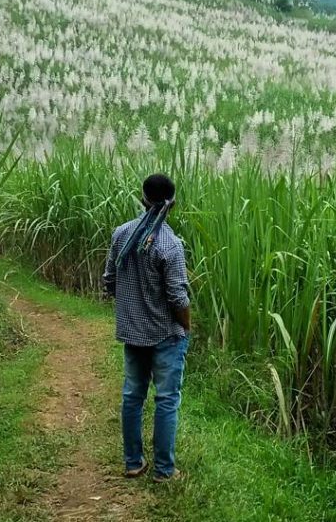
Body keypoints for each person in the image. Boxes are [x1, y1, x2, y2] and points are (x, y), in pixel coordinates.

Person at [102, 173, 191, 482]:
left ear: (142, 199)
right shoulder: (171, 245)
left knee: (132, 396)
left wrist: (131, 308)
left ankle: (133, 462)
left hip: (132, 332)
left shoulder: (121, 235)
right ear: (172, 205)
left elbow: (109, 281)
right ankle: (165, 470)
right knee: (166, 400)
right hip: (166, 335)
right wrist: (188, 327)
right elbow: (178, 297)